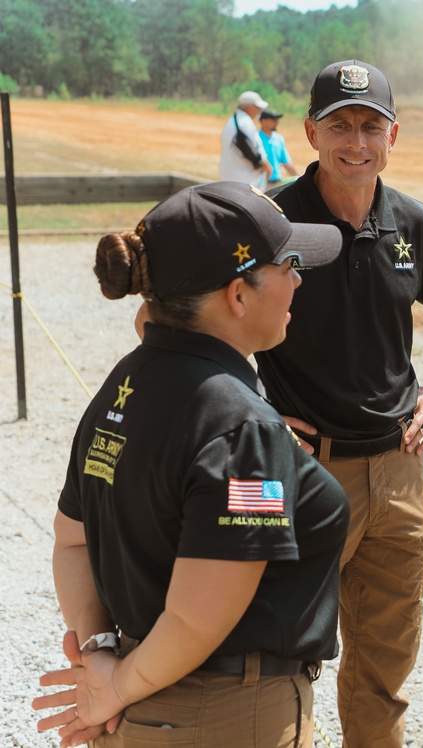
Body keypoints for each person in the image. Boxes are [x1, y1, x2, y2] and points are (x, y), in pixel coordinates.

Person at [31, 182, 350, 747]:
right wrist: (114, 686)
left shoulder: (123, 385)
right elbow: (198, 617)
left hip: (139, 707)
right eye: (289, 264)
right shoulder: (246, 426)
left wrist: (105, 657)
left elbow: (72, 541)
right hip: (223, 717)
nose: (299, 280)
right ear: (237, 295)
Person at [255, 60, 423, 747]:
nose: (356, 142)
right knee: (270, 653)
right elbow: (189, 320)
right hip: (293, 471)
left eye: (370, 126)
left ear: (393, 135)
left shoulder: (416, 221)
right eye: (340, 125)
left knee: (384, 668)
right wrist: (255, 412)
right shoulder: (268, 220)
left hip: (398, 473)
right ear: (311, 132)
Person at [220, 90, 271, 188]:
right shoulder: (245, 123)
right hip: (244, 180)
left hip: (232, 176)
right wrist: (265, 165)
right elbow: (249, 150)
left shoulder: (233, 120)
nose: (259, 110)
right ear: (249, 106)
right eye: (257, 107)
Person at [260, 109, 299, 185]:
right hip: (260, 185)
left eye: (277, 119)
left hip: (276, 183)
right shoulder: (256, 138)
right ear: (263, 121)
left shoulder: (279, 139)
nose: (276, 122)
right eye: (273, 119)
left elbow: (287, 164)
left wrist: (300, 179)